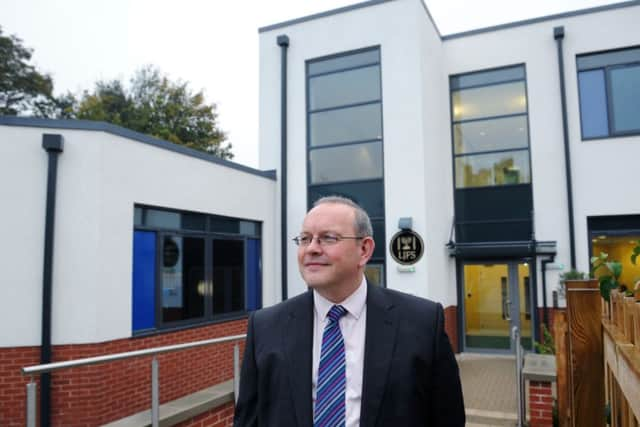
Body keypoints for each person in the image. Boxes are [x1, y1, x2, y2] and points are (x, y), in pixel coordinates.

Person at [234, 196, 465, 427]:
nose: (312, 249)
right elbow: (248, 420)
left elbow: (448, 418)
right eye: (305, 239)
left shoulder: (422, 323)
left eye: (328, 238)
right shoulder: (265, 326)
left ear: (364, 250)